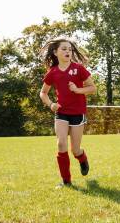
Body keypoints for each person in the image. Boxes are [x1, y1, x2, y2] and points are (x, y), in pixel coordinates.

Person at [39, 38, 96, 188]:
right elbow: (43, 93)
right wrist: (51, 104)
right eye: (64, 49)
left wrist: (78, 90)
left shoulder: (79, 69)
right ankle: (66, 181)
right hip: (61, 112)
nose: (68, 51)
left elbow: (92, 88)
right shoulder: (53, 72)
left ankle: (82, 158)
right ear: (55, 52)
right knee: (61, 143)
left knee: (75, 150)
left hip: (77, 112)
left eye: (70, 49)